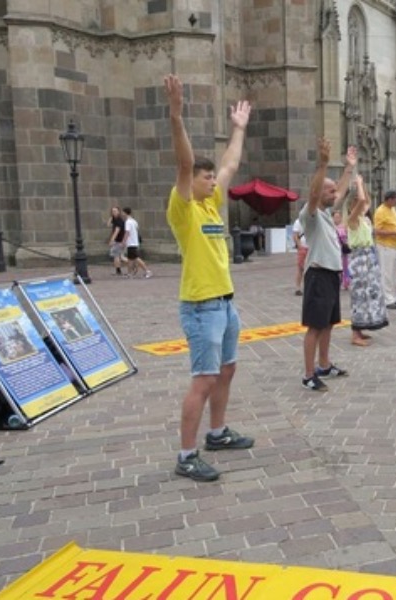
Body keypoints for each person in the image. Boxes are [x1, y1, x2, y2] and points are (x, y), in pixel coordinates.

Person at [163, 74, 255, 482]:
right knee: (203, 380)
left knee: (227, 370)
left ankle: (216, 434)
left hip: (225, 303)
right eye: (206, 178)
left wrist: (238, 129)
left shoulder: (213, 204)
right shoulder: (183, 209)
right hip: (201, 307)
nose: (213, 181)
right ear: (193, 183)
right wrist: (176, 115)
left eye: (211, 178)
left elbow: (231, 163)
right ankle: (186, 455)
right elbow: (185, 162)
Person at [299, 139, 356, 392]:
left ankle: (324, 364)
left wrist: (348, 169)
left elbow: (341, 191)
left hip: (332, 275)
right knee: (315, 326)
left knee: (329, 323)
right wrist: (322, 164)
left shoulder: (326, 213)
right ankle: (309, 374)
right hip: (318, 274)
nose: (336, 195)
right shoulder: (310, 214)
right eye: (329, 191)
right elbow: (313, 194)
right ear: (319, 192)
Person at [345, 175, 388, 346]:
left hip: (369, 257)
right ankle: (355, 333)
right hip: (360, 259)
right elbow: (363, 199)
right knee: (359, 294)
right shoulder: (352, 219)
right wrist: (359, 184)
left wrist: (364, 186)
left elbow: (366, 200)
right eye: (357, 202)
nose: (362, 203)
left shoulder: (364, 218)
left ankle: (360, 328)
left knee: (368, 293)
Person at [122, 207, 152, 278]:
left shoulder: (128, 222)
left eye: (123, 212)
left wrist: (124, 241)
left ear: (125, 213)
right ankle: (129, 273)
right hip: (134, 242)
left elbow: (127, 232)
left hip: (131, 243)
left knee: (136, 258)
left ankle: (147, 271)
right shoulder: (134, 221)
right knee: (130, 259)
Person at [333, 210, 351, 290]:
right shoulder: (331, 227)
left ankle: (346, 282)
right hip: (335, 250)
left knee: (345, 266)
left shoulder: (344, 226)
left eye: (338, 217)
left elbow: (348, 236)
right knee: (336, 267)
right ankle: (337, 282)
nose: (337, 219)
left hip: (343, 250)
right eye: (335, 217)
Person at [107, 206, 126, 276]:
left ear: (118, 212)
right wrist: (111, 217)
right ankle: (118, 270)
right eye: (112, 211)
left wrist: (111, 240)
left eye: (115, 211)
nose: (113, 213)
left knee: (117, 256)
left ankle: (133, 264)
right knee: (118, 256)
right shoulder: (114, 219)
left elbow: (116, 231)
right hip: (117, 240)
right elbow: (108, 225)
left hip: (119, 240)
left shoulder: (119, 220)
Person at [292, 218, 306, 296]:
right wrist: (300, 246)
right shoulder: (298, 221)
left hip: (312, 247)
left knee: (311, 268)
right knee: (300, 268)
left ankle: (308, 287)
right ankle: (298, 288)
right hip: (303, 247)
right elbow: (295, 236)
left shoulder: (313, 219)